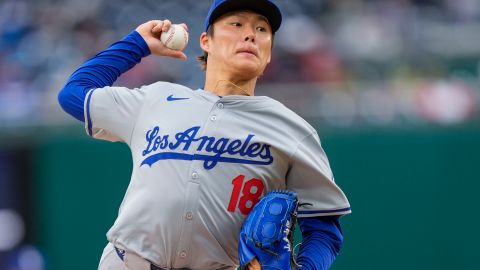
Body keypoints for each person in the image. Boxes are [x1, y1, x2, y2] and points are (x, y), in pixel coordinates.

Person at [58, 0, 351, 269]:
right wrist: (137, 45)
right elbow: (74, 94)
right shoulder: (155, 99)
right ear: (205, 41)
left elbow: (324, 228)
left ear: (269, 53)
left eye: (261, 29)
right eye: (236, 24)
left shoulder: (292, 129)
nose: (250, 35)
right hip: (127, 261)